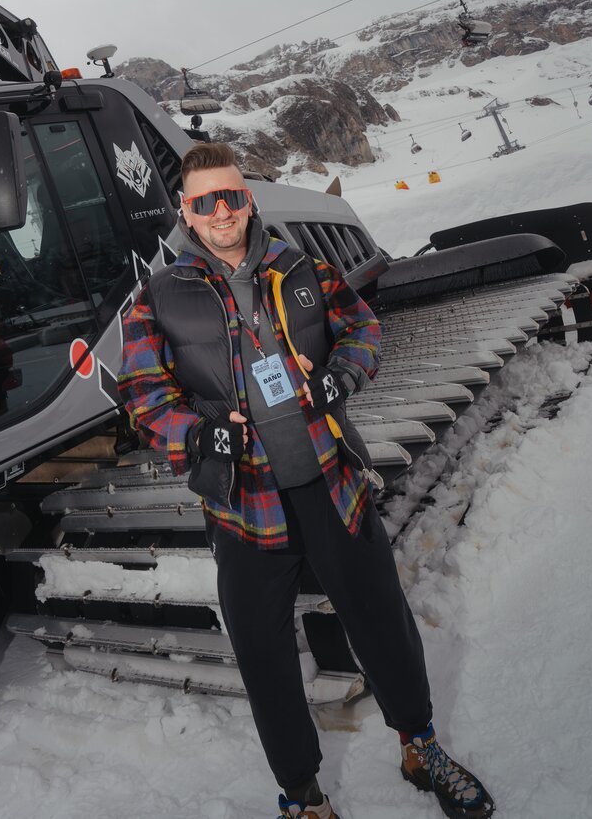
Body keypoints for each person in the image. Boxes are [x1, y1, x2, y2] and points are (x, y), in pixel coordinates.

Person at [118, 142, 494, 819]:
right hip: (244, 507)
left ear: (248, 199)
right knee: (264, 656)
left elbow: (363, 328)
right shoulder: (159, 298)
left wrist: (342, 374)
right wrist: (197, 434)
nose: (222, 211)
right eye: (205, 201)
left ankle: (420, 744)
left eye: (232, 196)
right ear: (186, 212)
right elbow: (143, 395)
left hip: (331, 483)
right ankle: (303, 794)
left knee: (382, 621)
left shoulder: (300, 268)